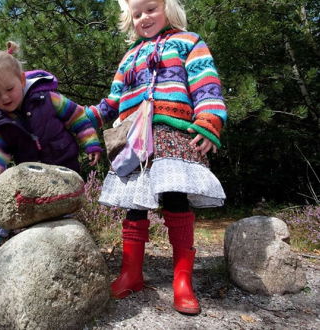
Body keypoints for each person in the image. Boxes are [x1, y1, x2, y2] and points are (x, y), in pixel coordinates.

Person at [84, 0, 227, 315]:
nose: (143, 18)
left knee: (176, 200)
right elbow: (112, 100)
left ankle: (182, 281)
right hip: (135, 140)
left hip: (174, 136)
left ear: (168, 8)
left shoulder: (189, 42)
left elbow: (207, 87)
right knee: (135, 204)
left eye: (150, 9)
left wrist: (209, 120)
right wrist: (84, 116)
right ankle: (131, 273)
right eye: (137, 14)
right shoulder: (130, 57)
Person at [0, 41, 102, 281]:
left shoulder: (48, 99)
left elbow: (78, 117)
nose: (4, 98)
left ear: (22, 80)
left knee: (60, 217)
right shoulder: (2, 123)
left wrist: (90, 142)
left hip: (63, 173)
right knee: (6, 208)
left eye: (9, 89)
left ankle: (63, 262)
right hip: (31, 178)